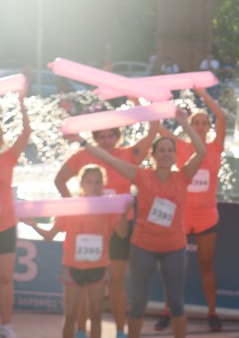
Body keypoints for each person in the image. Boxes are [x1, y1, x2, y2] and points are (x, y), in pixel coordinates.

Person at [83, 108, 206, 338]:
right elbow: (108, 158)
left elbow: (201, 150)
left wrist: (184, 123)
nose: (167, 154)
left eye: (171, 150)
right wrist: (83, 142)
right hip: (143, 247)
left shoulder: (183, 176)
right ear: (154, 154)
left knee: (177, 304)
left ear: (175, 154)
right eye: (162, 150)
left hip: (174, 248)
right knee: (138, 303)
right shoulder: (141, 175)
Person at [55, 107, 158, 338]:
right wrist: (74, 208)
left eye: (111, 135)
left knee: (116, 283)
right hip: (89, 231)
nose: (107, 140)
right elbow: (59, 179)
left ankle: (121, 331)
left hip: (118, 228)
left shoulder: (129, 154)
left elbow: (153, 132)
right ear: (94, 138)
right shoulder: (83, 156)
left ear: (118, 135)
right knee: (82, 289)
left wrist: (145, 105)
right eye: (101, 137)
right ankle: (81, 331)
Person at [26, 165, 132, 338]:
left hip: (98, 268)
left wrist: (122, 212)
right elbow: (50, 235)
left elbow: (122, 232)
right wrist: (33, 224)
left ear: (103, 184)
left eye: (98, 182)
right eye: (89, 182)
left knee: (96, 315)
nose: (94, 186)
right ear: (81, 183)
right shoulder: (71, 207)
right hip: (73, 268)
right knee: (70, 316)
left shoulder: (108, 207)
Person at [152, 89, 225, 332]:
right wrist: (155, 102)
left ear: (209, 126)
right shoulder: (181, 146)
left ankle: (212, 313)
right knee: (173, 267)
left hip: (206, 217)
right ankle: (166, 311)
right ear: (189, 125)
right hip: (181, 216)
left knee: (207, 265)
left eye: (204, 122)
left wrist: (202, 93)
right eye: (197, 122)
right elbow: (156, 127)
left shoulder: (215, 148)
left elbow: (222, 118)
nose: (202, 126)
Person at [0, 96, 31, 338]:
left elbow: (26, 131)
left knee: (4, 278)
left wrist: (21, 102)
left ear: (1, 141)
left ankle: (6, 326)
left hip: (4, 227)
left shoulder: (8, 158)